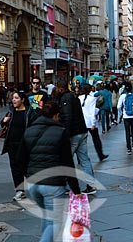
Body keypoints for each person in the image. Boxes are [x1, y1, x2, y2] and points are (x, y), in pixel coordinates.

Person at [19, 102, 81, 242]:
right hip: (53, 185)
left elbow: (19, 159)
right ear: (55, 115)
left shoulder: (29, 130)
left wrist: (29, 175)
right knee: (55, 222)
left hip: (33, 183)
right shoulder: (61, 132)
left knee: (47, 217)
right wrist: (76, 189)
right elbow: (67, 163)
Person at [55, 80, 97, 195]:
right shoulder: (74, 96)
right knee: (84, 159)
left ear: (60, 88)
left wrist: (66, 135)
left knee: (66, 160)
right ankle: (91, 185)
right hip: (82, 131)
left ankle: (65, 186)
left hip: (73, 134)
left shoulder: (65, 99)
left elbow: (68, 117)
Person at [0, 91, 38, 201]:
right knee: (15, 168)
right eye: (13, 98)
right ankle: (20, 190)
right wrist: (4, 120)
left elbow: (35, 126)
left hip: (25, 145)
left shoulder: (29, 112)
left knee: (26, 167)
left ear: (22, 100)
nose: (14, 100)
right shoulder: (11, 111)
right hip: (12, 144)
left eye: (16, 98)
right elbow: (3, 123)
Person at [79, 85, 109, 162]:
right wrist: (93, 123)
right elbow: (92, 112)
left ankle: (79, 158)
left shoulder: (79, 98)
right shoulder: (92, 99)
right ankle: (100, 154)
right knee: (96, 139)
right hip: (90, 122)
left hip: (82, 121)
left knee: (81, 141)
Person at [117, 82, 133, 154]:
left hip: (126, 116)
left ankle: (128, 148)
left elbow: (118, 106)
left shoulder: (122, 96)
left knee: (127, 132)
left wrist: (121, 113)